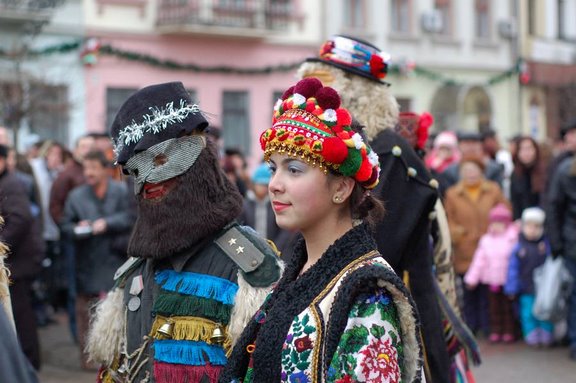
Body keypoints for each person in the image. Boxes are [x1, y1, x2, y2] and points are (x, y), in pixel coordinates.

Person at [221, 78, 422, 383]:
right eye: (274, 168)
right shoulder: (301, 270)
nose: (274, 184)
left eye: (294, 170)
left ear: (341, 188)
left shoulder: (368, 292)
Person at [86, 82, 282, 382]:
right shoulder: (134, 274)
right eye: (135, 171)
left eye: (162, 160)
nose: (149, 181)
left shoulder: (248, 269)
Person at [297, 35, 449, 383]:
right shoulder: (344, 148)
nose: (313, 94)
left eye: (327, 83)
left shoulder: (387, 153)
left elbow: (374, 245)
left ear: (359, 91)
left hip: (377, 308)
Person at [61, 150, 134, 369]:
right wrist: (77, 228)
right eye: (86, 168)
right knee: (85, 311)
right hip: (87, 261)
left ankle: (117, 354)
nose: (89, 173)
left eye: (93, 168)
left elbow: (131, 216)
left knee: (117, 309)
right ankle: (88, 358)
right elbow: (64, 226)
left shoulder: (121, 191)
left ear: (105, 169)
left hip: (115, 259)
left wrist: (107, 223)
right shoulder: (76, 196)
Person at [444, 156, 510, 336]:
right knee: (468, 290)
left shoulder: (493, 190)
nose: (471, 174)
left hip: (491, 249)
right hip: (465, 248)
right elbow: (448, 219)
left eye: (474, 170)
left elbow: (506, 211)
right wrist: (459, 234)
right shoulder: (452, 193)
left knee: (488, 292)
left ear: (482, 172)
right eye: (466, 170)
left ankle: (490, 325)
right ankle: (471, 324)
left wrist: (497, 231)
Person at [0, 144, 44, 370]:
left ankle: (28, 364)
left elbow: (19, 219)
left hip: (17, 263)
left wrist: (0, 246)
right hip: (15, 262)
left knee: (20, 314)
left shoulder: (10, 184)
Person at [464, 203, 518, 343]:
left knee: (508, 309)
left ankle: (509, 330)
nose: (497, 226)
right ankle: (496, 330)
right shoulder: (486, 240)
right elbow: (479, 261)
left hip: (508, 282)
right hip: (492, 281)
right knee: (493, 308)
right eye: (494, 223)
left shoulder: (512, 239)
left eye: (500, 223)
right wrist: (471, 279)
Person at [505, 207, 553, 347]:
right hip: (526, 287)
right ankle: (531, 335)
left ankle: (546, 334)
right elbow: (512, 270)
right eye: (529, 226)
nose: (533, 230)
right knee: (528, 312)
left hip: (544, 289)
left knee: (545, 312)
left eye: (537, 227)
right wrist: (512, 288)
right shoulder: (519, 248)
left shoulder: (545, 246)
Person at [546, 153, 576, 360]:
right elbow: (554, 207)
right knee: (574, 295)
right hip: (572, 243)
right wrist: (556, 243)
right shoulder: (566, 170)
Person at [238, 162, 296, 262]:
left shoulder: (275, 204)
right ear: (254, 184)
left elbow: (284, 231)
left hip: (275, 251)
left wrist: (274, 248)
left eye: (265, 185)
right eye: (260, 184)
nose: (264, 188)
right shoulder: (245, 205)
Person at [510, 136, 548, 220]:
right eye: (522, 149)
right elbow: (515, 201)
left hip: (542, 219)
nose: (526, 153)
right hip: (523, 221)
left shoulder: (545, 171)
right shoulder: (515, 174)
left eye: (529, 148)